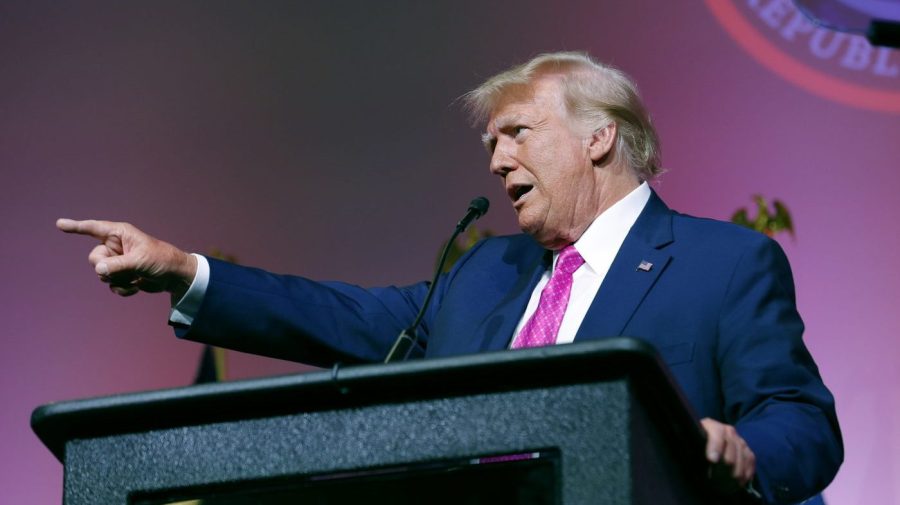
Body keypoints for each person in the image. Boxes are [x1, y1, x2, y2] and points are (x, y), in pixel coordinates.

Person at [58, 52, 841, 504]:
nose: (497, 160)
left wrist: (741, 450)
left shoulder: (724, 263)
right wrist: (183, 270)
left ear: (600, 138)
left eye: (517, 134)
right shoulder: (485, 270)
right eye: (491, 144)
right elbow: (346, 318)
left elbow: (804, 420)